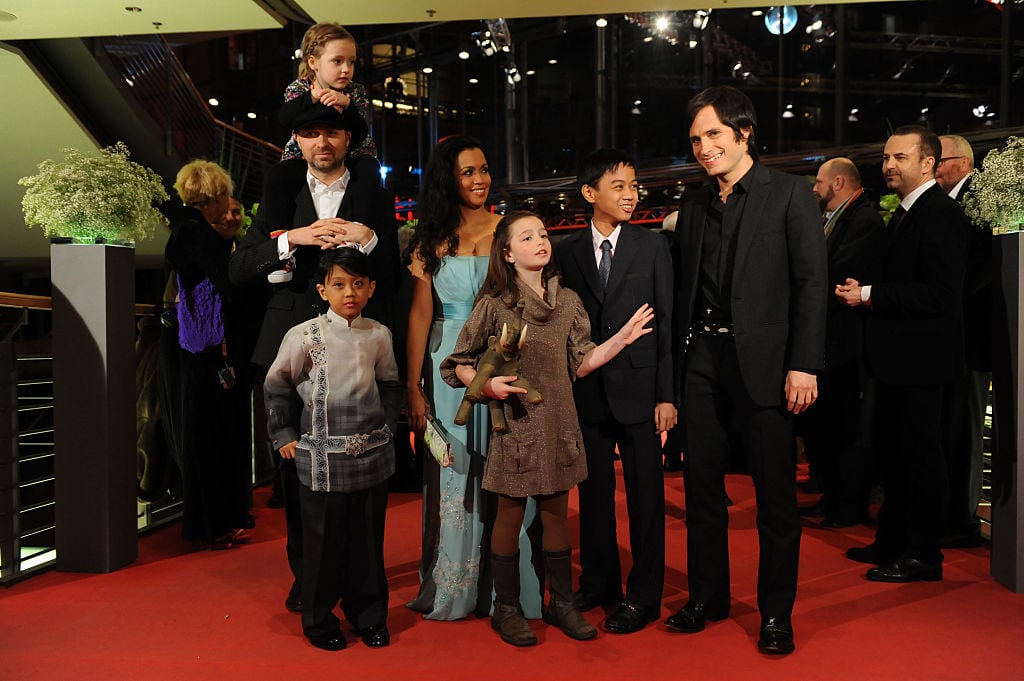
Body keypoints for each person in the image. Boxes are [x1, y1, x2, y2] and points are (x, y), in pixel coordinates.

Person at [441, 210, 655, 646]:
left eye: (542, 233)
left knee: (557, 514)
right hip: (516, 427)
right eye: (527, 237)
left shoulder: (569, 301)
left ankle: (562, 604)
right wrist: (488, 385)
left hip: (560, 422)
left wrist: (621, 340)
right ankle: (507, 609)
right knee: (510, 515)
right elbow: (456, 364)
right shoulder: (494, 305)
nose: (540, 241)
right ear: (507, 252)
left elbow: (582, 361)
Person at [666, 86, 827, 655]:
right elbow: (684, 287)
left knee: (776, 500)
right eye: (695, 140)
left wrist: (804, 363)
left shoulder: (789, 195)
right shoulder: (693, 203)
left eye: (713, 134)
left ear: (743, 132)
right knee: (702, 490)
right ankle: (707, 597)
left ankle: (775, 613)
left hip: (767, 365)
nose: (704, 147)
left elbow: (811, 284)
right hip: (703, 362)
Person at [229, 96, 400, 614]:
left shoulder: (371, 186)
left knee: (363, 481)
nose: (322, 143)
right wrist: (291, 239)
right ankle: (310, 582)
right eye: (311, 134)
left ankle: (359, 589)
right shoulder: (280, 184)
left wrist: (367, 239)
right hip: (293, 343)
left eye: (332, 133)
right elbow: (240, 268)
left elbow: (392, 269)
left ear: (348, 139)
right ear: (297, 142)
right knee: (300, 482)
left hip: (359, 344)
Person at [404, 135, 542, 621]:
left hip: (506, 361)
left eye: (484, 169)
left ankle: (508, 589)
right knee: (457, 473)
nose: (480, 179)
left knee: (509, 471)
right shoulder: (429, 240)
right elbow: (421, 317)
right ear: (448, 179)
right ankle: (458, 587)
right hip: (447, 371)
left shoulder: (511, 230)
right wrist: (413, 387)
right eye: (468, 172)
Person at [837, 125, 970, 582]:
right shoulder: (912, 213)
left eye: (900, 157)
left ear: (928, 163)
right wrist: (867, 291)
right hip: (899, 362)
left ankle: (923, 555)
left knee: (919, 459)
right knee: (895, 456)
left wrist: (871, 294)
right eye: (886, 156)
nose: (888, 165)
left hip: (922, 364)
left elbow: (939, 296)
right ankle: (893, 541)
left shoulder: (942, 215)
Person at [554, 148, 675, 634]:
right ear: (590, 194)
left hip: (643, 390)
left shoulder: (652, 247)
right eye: (619, 186)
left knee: (647, 496)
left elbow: (666, 322)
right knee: (595, 495)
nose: (631, 195)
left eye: (633, 185)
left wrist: (667, 396)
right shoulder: (567, 252)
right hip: (588, 391)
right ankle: (601, 582)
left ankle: (644, 595)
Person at [263, 248, 401, 651]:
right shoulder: (303, 335)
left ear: (371, 288)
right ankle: (320, 621)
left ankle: (370, 616)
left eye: (359, 284)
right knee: (322, 545)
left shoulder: (379, 334)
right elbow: (275, 385)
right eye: (339, 285)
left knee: (367, 544)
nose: (350, 293)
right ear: (323, 290)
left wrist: (389, 427)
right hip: (320, 458)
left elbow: (390, 385)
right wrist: (283, 433)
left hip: (372, 455)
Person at [163, 161, 255, 549]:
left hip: (195, 347)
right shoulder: (197, 235)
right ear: (214, 197)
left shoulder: (184, 231)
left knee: (206, 435)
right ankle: (212, 524)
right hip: (207, 350)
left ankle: (214, 520)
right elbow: (228, 285)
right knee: (211, 436)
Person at [801, 158, 884, 528]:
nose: (815, 189)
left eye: (819, 183)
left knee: (847, 428)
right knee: (829, 427)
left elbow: (837, 272)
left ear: (837, 182)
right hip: (830, 340)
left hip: (849, 341)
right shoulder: (834, 219)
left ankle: (847, 504)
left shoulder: (864, 219)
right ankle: (833, 497)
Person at [935, 134, 990, 549]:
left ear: (963, 161)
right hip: (952, 337)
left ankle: (963, 516)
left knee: (966, 429)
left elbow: (981, 271)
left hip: (970, 335)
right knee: (952, 429)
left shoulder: (978, 201)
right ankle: (951, 511)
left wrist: (943, 303)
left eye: (940, 158)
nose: (933, 165)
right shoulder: (949, 203)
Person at [281, 22, 380, 198]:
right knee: (281, 174)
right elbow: (286, 118)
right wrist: (311, 98)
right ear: (313, 62)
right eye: (337, 61)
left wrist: (347, 105)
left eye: (351, 62)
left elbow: (360, 132)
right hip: (304, 156)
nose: (346, 69)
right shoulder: (299, 89)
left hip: (353, 155)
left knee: (369, 167)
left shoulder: (355, 91)